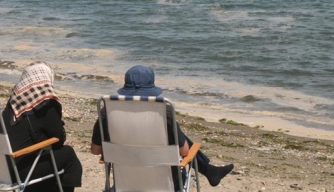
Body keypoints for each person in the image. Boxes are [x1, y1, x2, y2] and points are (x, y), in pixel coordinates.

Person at [91, 65, 234, 188]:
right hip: (167, 183)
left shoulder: (108, 112)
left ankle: (210, 171)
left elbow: (95, 150)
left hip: (125, 183)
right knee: (180, 142)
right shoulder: (163, 112)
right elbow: (184, 152)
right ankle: (209, 170)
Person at [3, 61, 82, 192]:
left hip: (0, 168)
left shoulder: (13, 103)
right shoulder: (45, 104)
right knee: (68, 155)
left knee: (49, 156)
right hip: (21, 170)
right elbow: (58, 140)